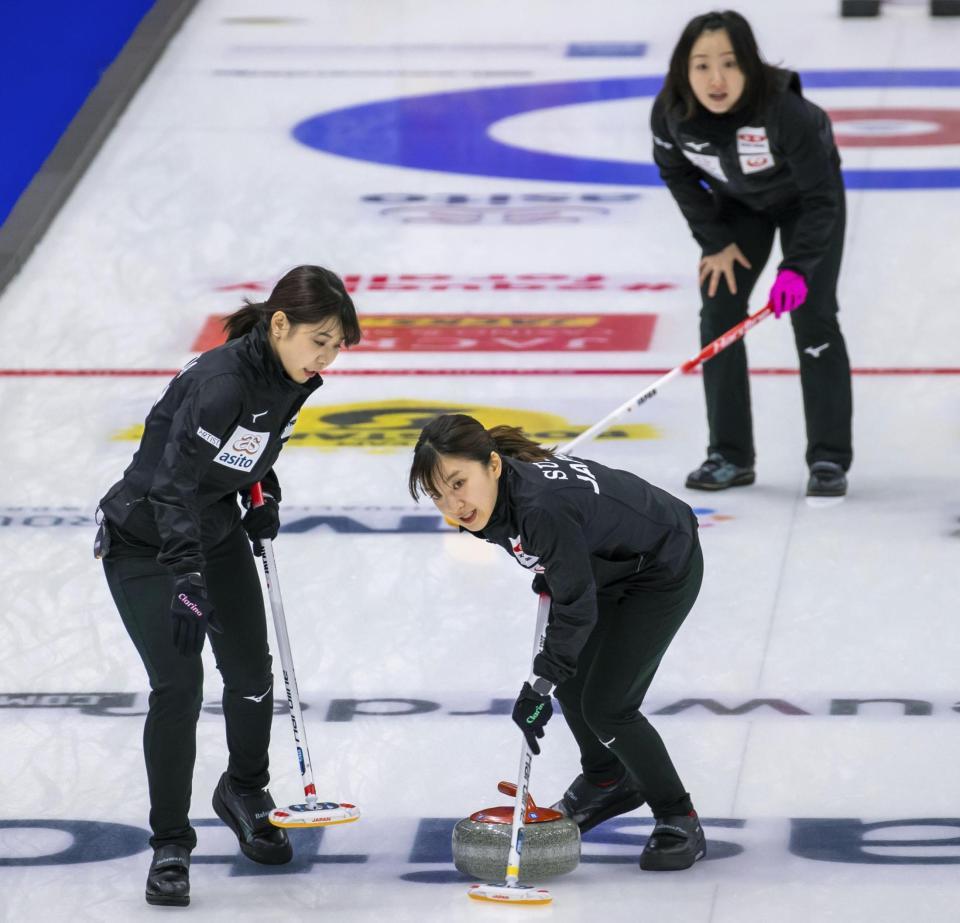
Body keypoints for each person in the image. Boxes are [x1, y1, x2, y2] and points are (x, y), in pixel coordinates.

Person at [96, 265, 361, 906]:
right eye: (318, 340)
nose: (325, 356)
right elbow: (171, 484)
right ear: (279, 324)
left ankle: (243, 789)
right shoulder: (221, 384)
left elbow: (250, 446)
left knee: (250, 671)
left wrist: (261, 489)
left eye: (335, 346)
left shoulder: (288, 374)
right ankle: (170, 845)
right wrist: (186, 576)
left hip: (209, 531)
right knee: (179, 684)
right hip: (144, 542)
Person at [408, 414, 707, 871]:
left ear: (492, 464)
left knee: (608, 706)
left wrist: (538, 686)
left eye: (458, 483)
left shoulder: (540, 506)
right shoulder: (496, 495)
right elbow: (562, 568)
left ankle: (678, 816)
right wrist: (554, 569)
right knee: (572, 680)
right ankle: (607, 780)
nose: (454, 503)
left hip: (662, 565)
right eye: (438, 494)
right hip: (610, 562)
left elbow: (577, 607)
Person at [651, 10, 853, 498]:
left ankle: (828, 457)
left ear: (751, 66)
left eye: (730, 63)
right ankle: (730, 454)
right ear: (684, 70)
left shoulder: (788, 114)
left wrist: (798, 267)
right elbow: (676, 173)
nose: (715, 79)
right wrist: (715, 241)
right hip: (740, 207)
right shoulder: (671, 113)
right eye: (701, 66)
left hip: (807, 204)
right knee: (719, 310)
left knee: (814, 316)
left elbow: (822, 198)